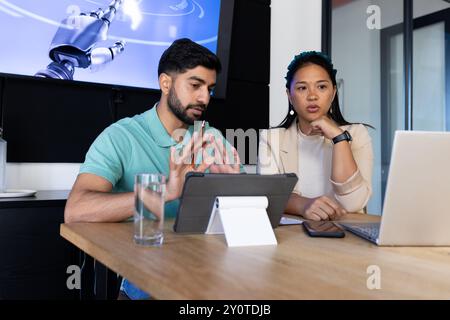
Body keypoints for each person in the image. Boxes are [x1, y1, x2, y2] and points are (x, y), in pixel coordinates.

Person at [64, 38, 242, 299]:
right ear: (165, 83)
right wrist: (165, 190)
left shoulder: (210, 136)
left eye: (210, 89)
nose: (205, 98)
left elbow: (234, 216)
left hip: (206, 273)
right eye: (195, 85)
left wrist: (235, 192)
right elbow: (76, 210)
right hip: (144, 277)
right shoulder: (120, 136)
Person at [258, 51, 373, 221]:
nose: (312, 96)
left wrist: (338, 138)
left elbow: (353, 203)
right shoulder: (271, 138)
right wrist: (303, 205)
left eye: (321, 87)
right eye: (302, 88)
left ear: (333, 93)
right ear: (289, 95)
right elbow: (268, 197)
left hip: (347, 239)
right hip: (293, 238)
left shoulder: (357, 133)